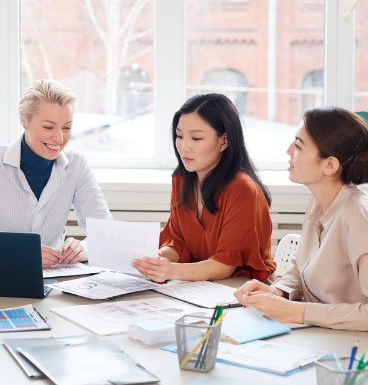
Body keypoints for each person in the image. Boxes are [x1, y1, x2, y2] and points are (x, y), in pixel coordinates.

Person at [0, 78, 112, 268]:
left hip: (51, 280)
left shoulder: (77, 165)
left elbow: (107, 235)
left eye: (67, 127)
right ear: (24, 121)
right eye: (48, 127)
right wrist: (21, 253)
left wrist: (82, 248)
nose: (59, 137)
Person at [235, 107, 368, 330]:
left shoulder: (357, 216)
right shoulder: (319, 199)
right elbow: (302, 267)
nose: (288, 151)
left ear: (329, 165)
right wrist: (278, 291)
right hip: (318, 335)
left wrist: (298, 312)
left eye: (298, 146)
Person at [132, 93, 274, 282]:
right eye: (179, 136)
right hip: (199, 287)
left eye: (196, 138)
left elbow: (225, 265)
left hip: (242, 288)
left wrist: (171, 271)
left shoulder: (243, 189)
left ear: (224, 141)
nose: (184, 147)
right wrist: (157, 259)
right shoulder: (182, 179)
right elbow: (178, 243)